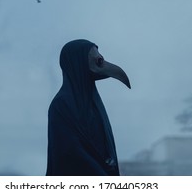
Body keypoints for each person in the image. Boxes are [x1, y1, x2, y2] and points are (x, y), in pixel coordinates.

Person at [46, 39, 130, 176]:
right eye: (98, 60)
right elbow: (69, 153)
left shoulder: (94, 102)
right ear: (78, 63)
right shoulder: (60, 105)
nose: (102, 63)